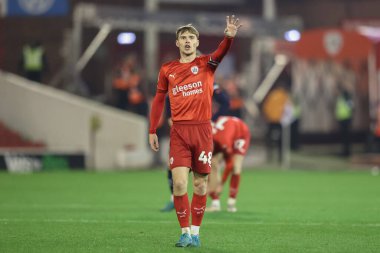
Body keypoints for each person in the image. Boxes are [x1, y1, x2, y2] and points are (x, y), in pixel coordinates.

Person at [149, 16, 241, 248]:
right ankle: (185, 232)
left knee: (200, 185)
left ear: (197, 42)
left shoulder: (206, 64)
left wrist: (228, 37)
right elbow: (159, 100)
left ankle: (196, 233)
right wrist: (152, 129)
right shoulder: (167, 69)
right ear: (177, 43)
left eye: (191, 37)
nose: (188, 41)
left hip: (202, 131)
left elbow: (221, 52)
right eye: (183, 38)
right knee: (179, 184)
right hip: (179, 132)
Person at [160, 82, 230, 212]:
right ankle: (173, 199)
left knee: (211, 165)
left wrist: (212, 120)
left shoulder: (205, 81)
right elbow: (169, 115)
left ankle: (215, 202)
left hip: (203, 133)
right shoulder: (176, 87)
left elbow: (225, 102)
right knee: (172, 167)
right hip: (182, 135)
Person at [206, 116, 251, 213]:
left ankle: (231, 202)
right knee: (211, 163)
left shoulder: (223, 140)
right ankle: (215, 202)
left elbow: (230, 164)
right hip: (226, 131)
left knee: (236, 167)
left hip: (241, 132)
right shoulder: (208, 137)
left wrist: (221, 184)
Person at [335, 86, 354, 157]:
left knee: (346, 137)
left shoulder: (346, 98)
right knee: (343, 137)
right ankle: (344, 151)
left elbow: (351, 107)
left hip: (346, 120)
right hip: (342, 120)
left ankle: (347, 152)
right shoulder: (340, 98)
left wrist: (350, 118)